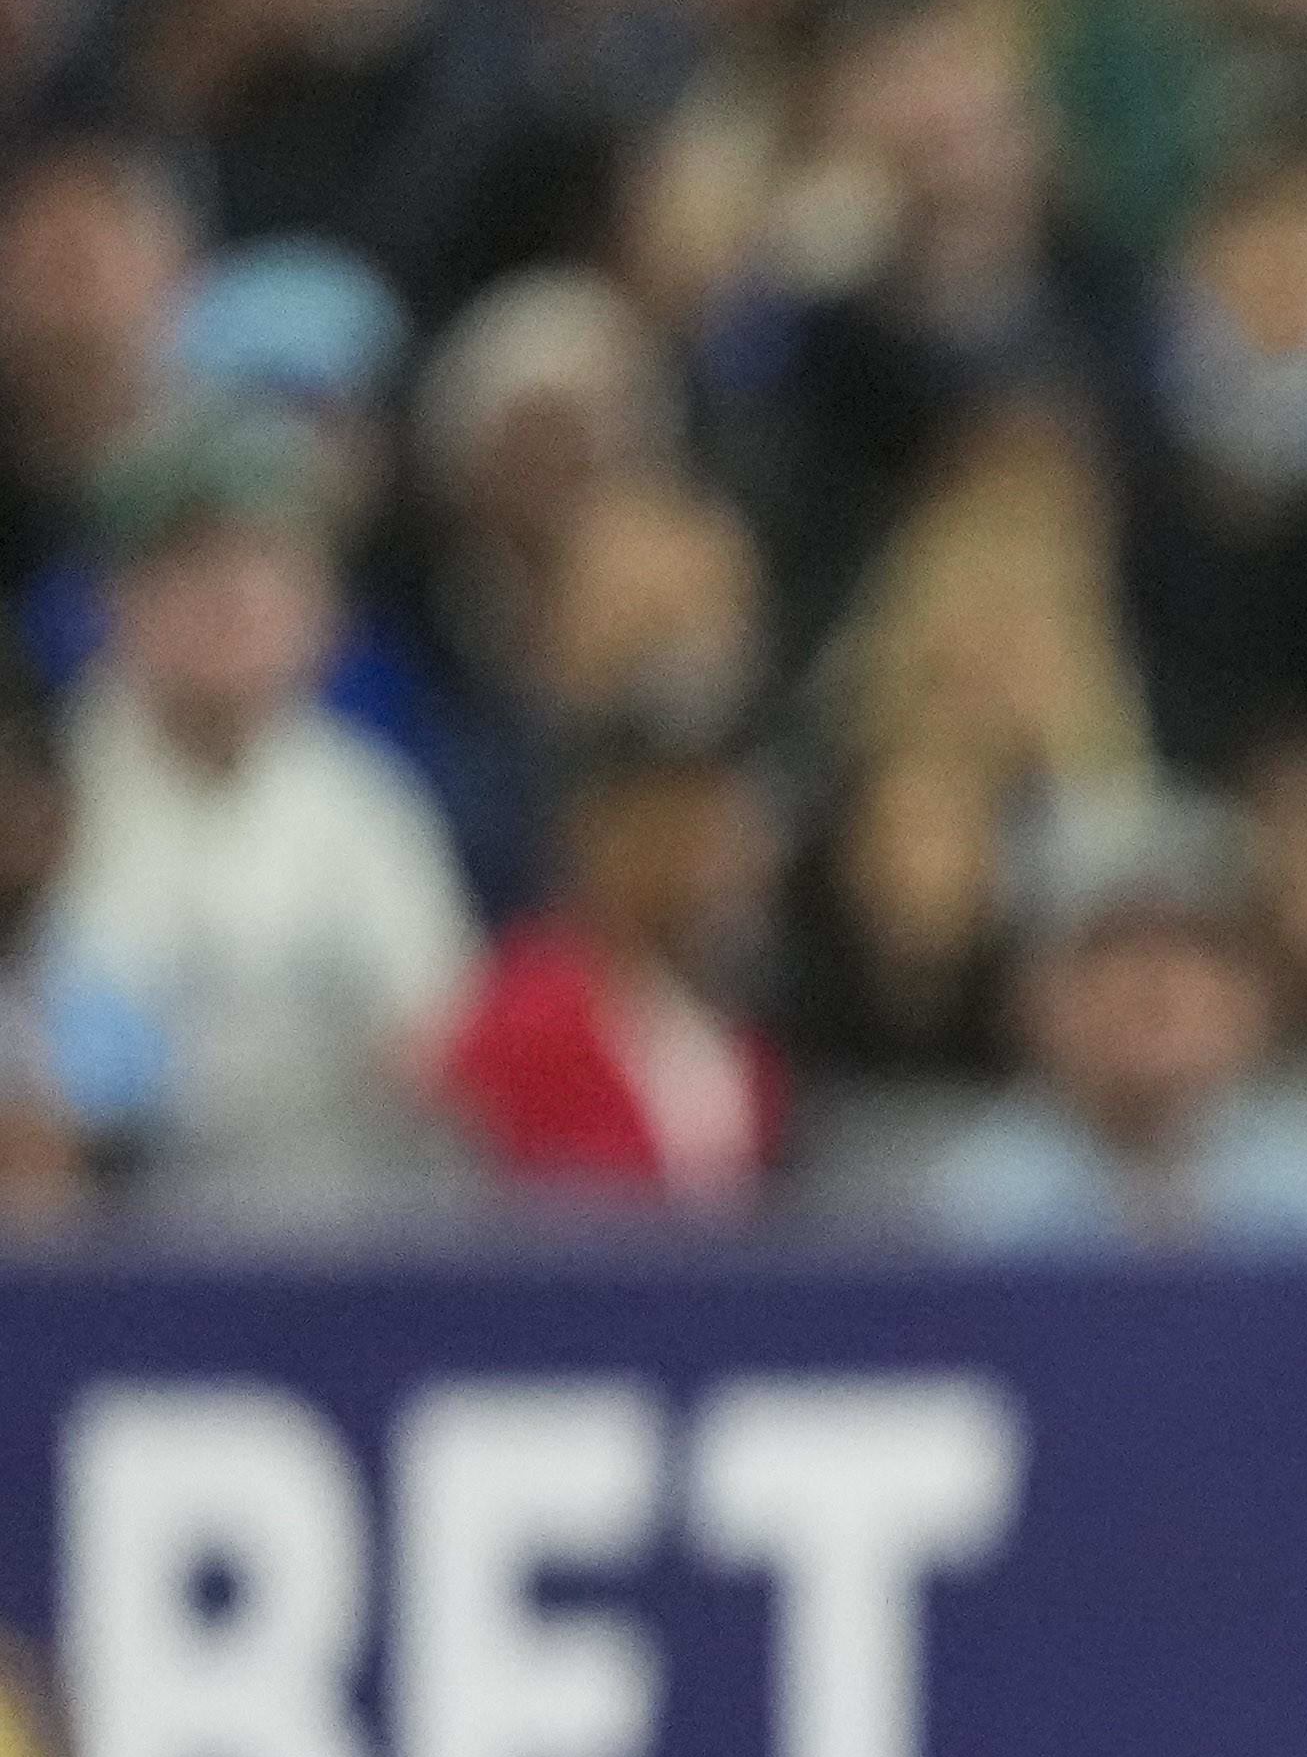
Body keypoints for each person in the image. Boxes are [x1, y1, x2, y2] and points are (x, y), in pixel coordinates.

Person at [30, 414, 481, 1219]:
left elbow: (445, 1058)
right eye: (192, 561)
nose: (235, 595)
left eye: (267, 561)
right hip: (87, 1275)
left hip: (327, 1274)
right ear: (116, 596)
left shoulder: (369, 810)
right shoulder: (41, 795)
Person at [920, 789, 1307, 1254]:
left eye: (1192, 947)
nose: (1153, 982)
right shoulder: (968, 1210)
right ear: (1033, 995)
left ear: (1255, 993)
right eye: (1110, 947)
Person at [432, 685, 787, 1207]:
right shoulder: (520, 1019)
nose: (706, 862)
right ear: (597, 836)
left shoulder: (754, 1019)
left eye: (720, 824)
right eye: (671, 828)